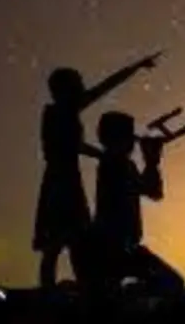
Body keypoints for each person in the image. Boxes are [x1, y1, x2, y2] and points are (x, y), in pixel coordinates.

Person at [33, 51, 162, 289]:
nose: (84, 88)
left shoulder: (65, 112)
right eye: (78, 85)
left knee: (74, 239)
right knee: (56, 243)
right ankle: (49, 293)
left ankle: (81, 288)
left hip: (69, 179)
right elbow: (72, 144)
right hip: (59, 181)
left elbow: (104, 88)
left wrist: (134, 68)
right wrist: (103, 155)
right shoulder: (55, 113)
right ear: (65, 89)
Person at [90, 111, 185, 296]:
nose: (134, 143)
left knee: (170, 283)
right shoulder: (116, 164)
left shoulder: (119, 164)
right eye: (130, 137)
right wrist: (151, 162)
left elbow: (154, 192)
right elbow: (153, 191)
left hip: (120, 249)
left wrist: (152, 163)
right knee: (172, 283)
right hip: (115, 250)